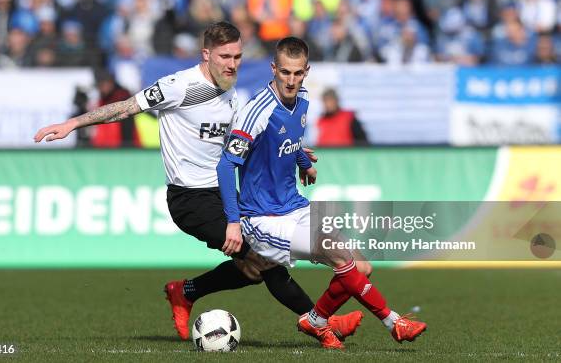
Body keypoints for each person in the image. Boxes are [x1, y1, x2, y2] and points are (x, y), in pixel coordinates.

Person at [33, 22, 361, 342]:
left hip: (223, 193)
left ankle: (185, 292)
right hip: (189, 199)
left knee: (251, 271)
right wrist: (73, 123)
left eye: (237, 57)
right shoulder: (179, 86)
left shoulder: (232, 97)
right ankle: (324, 325)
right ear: (206, 55)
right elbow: (126, 108)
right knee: (267, 260)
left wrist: (298, 154)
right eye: (224, 57)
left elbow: (247, 142)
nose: (232, 65)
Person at [217, 37, 427, 349]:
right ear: (273, 69)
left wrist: (302, 161)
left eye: (297, 73)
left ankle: (314, 319)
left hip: (294, 205)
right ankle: (394, 322)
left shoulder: (302, 98)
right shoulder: (256, 111)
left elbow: (289, 138)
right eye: (285, 72)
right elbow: (225, 166)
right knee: (342, 258)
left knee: (362, 266)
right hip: (264, 219)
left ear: (306, 72)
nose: (291, 80)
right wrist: (233, 222)